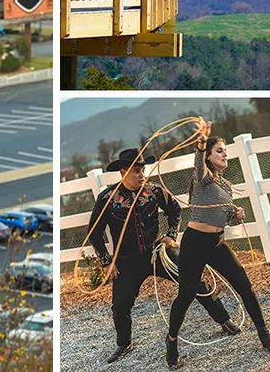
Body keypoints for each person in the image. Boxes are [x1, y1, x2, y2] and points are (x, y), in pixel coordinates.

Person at [86, 148, 239, 365]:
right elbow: (95, 233)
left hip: (158, 251)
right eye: (136, 171)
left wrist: (170, 235)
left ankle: (224, 320)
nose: (141, 175)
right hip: (127, 260)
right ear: (123, 172)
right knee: (120, 305)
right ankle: (124, 343)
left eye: (143, 170)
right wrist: (106, 262)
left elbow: (174, 210)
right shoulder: (107, 199)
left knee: (194, 280)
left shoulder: (154, 191)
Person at [166, 123, 270, 367]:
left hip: (217, 243)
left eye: (225, 150)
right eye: (219, 150)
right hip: (194, 244)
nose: (225, 154)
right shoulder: (203, 179)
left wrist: (236, 215)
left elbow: (225, 218)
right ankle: (172, 340)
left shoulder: (226, 186)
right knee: (186, 295)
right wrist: (200, 144)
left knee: (244, 285)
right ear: (208, 156)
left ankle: (263, 332)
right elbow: (198, 166)